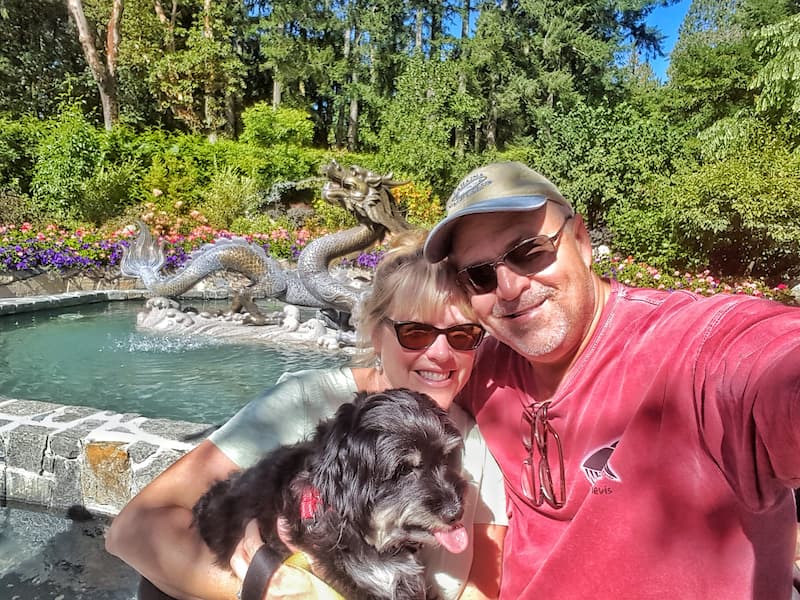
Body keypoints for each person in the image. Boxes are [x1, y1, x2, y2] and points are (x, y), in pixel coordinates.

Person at [421, 160, 800, 598]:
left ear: (580, 241)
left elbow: (770, 363)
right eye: (480, 275)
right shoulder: (480, 368)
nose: (507, 288)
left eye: (529, 251)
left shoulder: (689, 347)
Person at [105, 230, 507, 600]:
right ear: (376, 332)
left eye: (462, 335)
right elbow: (132, 532)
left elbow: (478, 590)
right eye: (416, 332)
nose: (440, 354)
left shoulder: (476, 441)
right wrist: (270, 587)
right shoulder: (308, 401)